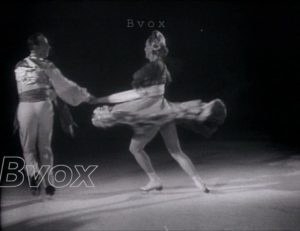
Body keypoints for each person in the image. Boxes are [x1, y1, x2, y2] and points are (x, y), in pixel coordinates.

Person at [92, 30, 226, 193]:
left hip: (153, 114)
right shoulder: (162, 68)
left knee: (135, 149)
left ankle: (154, 179)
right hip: (164, 111)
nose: (144, 49)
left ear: (151, 48)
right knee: (176, 151)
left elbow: (134, 94)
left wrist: (101, 100)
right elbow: (148, 93)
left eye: (145, 46)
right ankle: (199, 182)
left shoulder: (151, 68)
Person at [14, 33, 96, 196]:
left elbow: (23, 91)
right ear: (35, 47)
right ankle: (49, 183)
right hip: (43, 106)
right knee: (45, 146)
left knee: (28, 148)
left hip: (25, 107)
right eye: (45, 44)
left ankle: (33, 175)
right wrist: (86, 96)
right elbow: (65, 86)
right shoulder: (47, 65)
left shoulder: (18, 65)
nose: (49, 47)